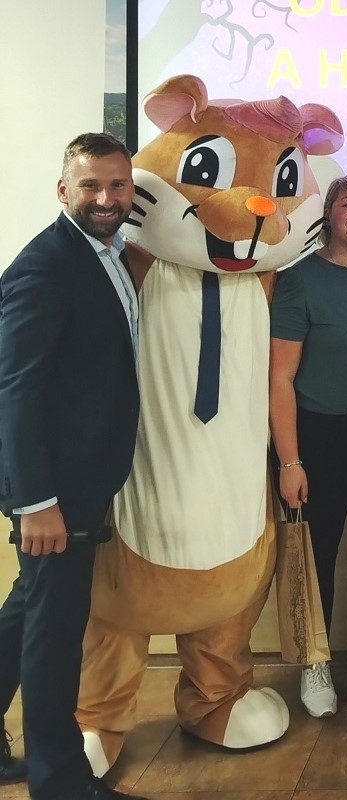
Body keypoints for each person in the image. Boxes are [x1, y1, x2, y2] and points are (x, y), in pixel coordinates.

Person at [0, 133, 145, 799]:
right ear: (64, 190)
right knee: (56, 632)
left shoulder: (109, 253)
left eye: (117, 185)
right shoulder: (45, 267)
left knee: (31, 607)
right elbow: (16, 389)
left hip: (85, 474)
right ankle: (59, 781)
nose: (106, 198)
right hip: (56, 488)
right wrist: (34, 501)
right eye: (91, 186)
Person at [269, 173, 347, 718]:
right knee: (316, 556)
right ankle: (315, 664)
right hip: (316, 438)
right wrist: (289, 460)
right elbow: (280, 379)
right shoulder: (299, 279)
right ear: (329, 214)